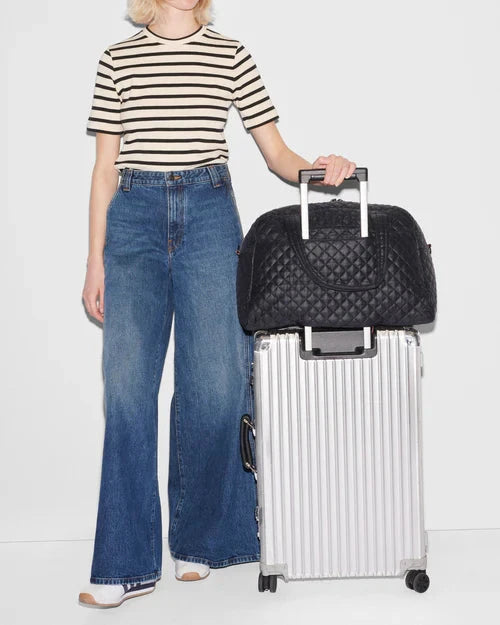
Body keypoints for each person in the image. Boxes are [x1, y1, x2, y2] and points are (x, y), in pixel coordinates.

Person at [79, 0, 356, 609]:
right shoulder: (116, 58)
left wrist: (322, 167)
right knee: (126, 388)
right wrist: (95, 259)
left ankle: (198, 538)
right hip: (133, 221)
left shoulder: (230, 52)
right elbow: (104, 168)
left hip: (208, 213)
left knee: (214, 386)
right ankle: (125, 561)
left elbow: (277, 154)